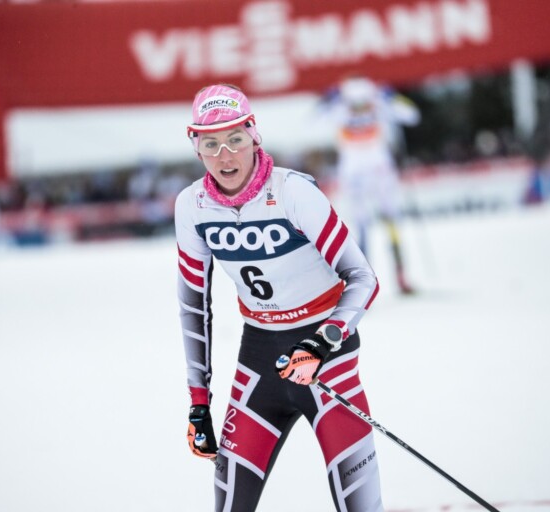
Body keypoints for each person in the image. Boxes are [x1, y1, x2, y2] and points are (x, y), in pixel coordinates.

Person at [175, 84, 384, 512]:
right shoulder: (192, 206)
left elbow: (363, 278)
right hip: (260, 360)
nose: (225, 156)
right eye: (210, 144)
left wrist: (321, 342)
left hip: (326, 360)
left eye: (235, 139)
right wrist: (199, 403)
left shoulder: (292, 191)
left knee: (361, 507)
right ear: (196, 148)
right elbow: (193, 308)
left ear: (254, 135)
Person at [318, 75, 420, 294]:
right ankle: (362, 283)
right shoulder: (338, 107)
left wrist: (392, 97)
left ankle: (401, 276)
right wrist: (326, 100)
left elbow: (412, 116)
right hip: (353, 173)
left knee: (391, 220)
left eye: (364, 103)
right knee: (361, 226)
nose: (360, 108)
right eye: (354, 104)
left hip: (380, 170)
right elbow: (311, 122)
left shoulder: (380, 102)